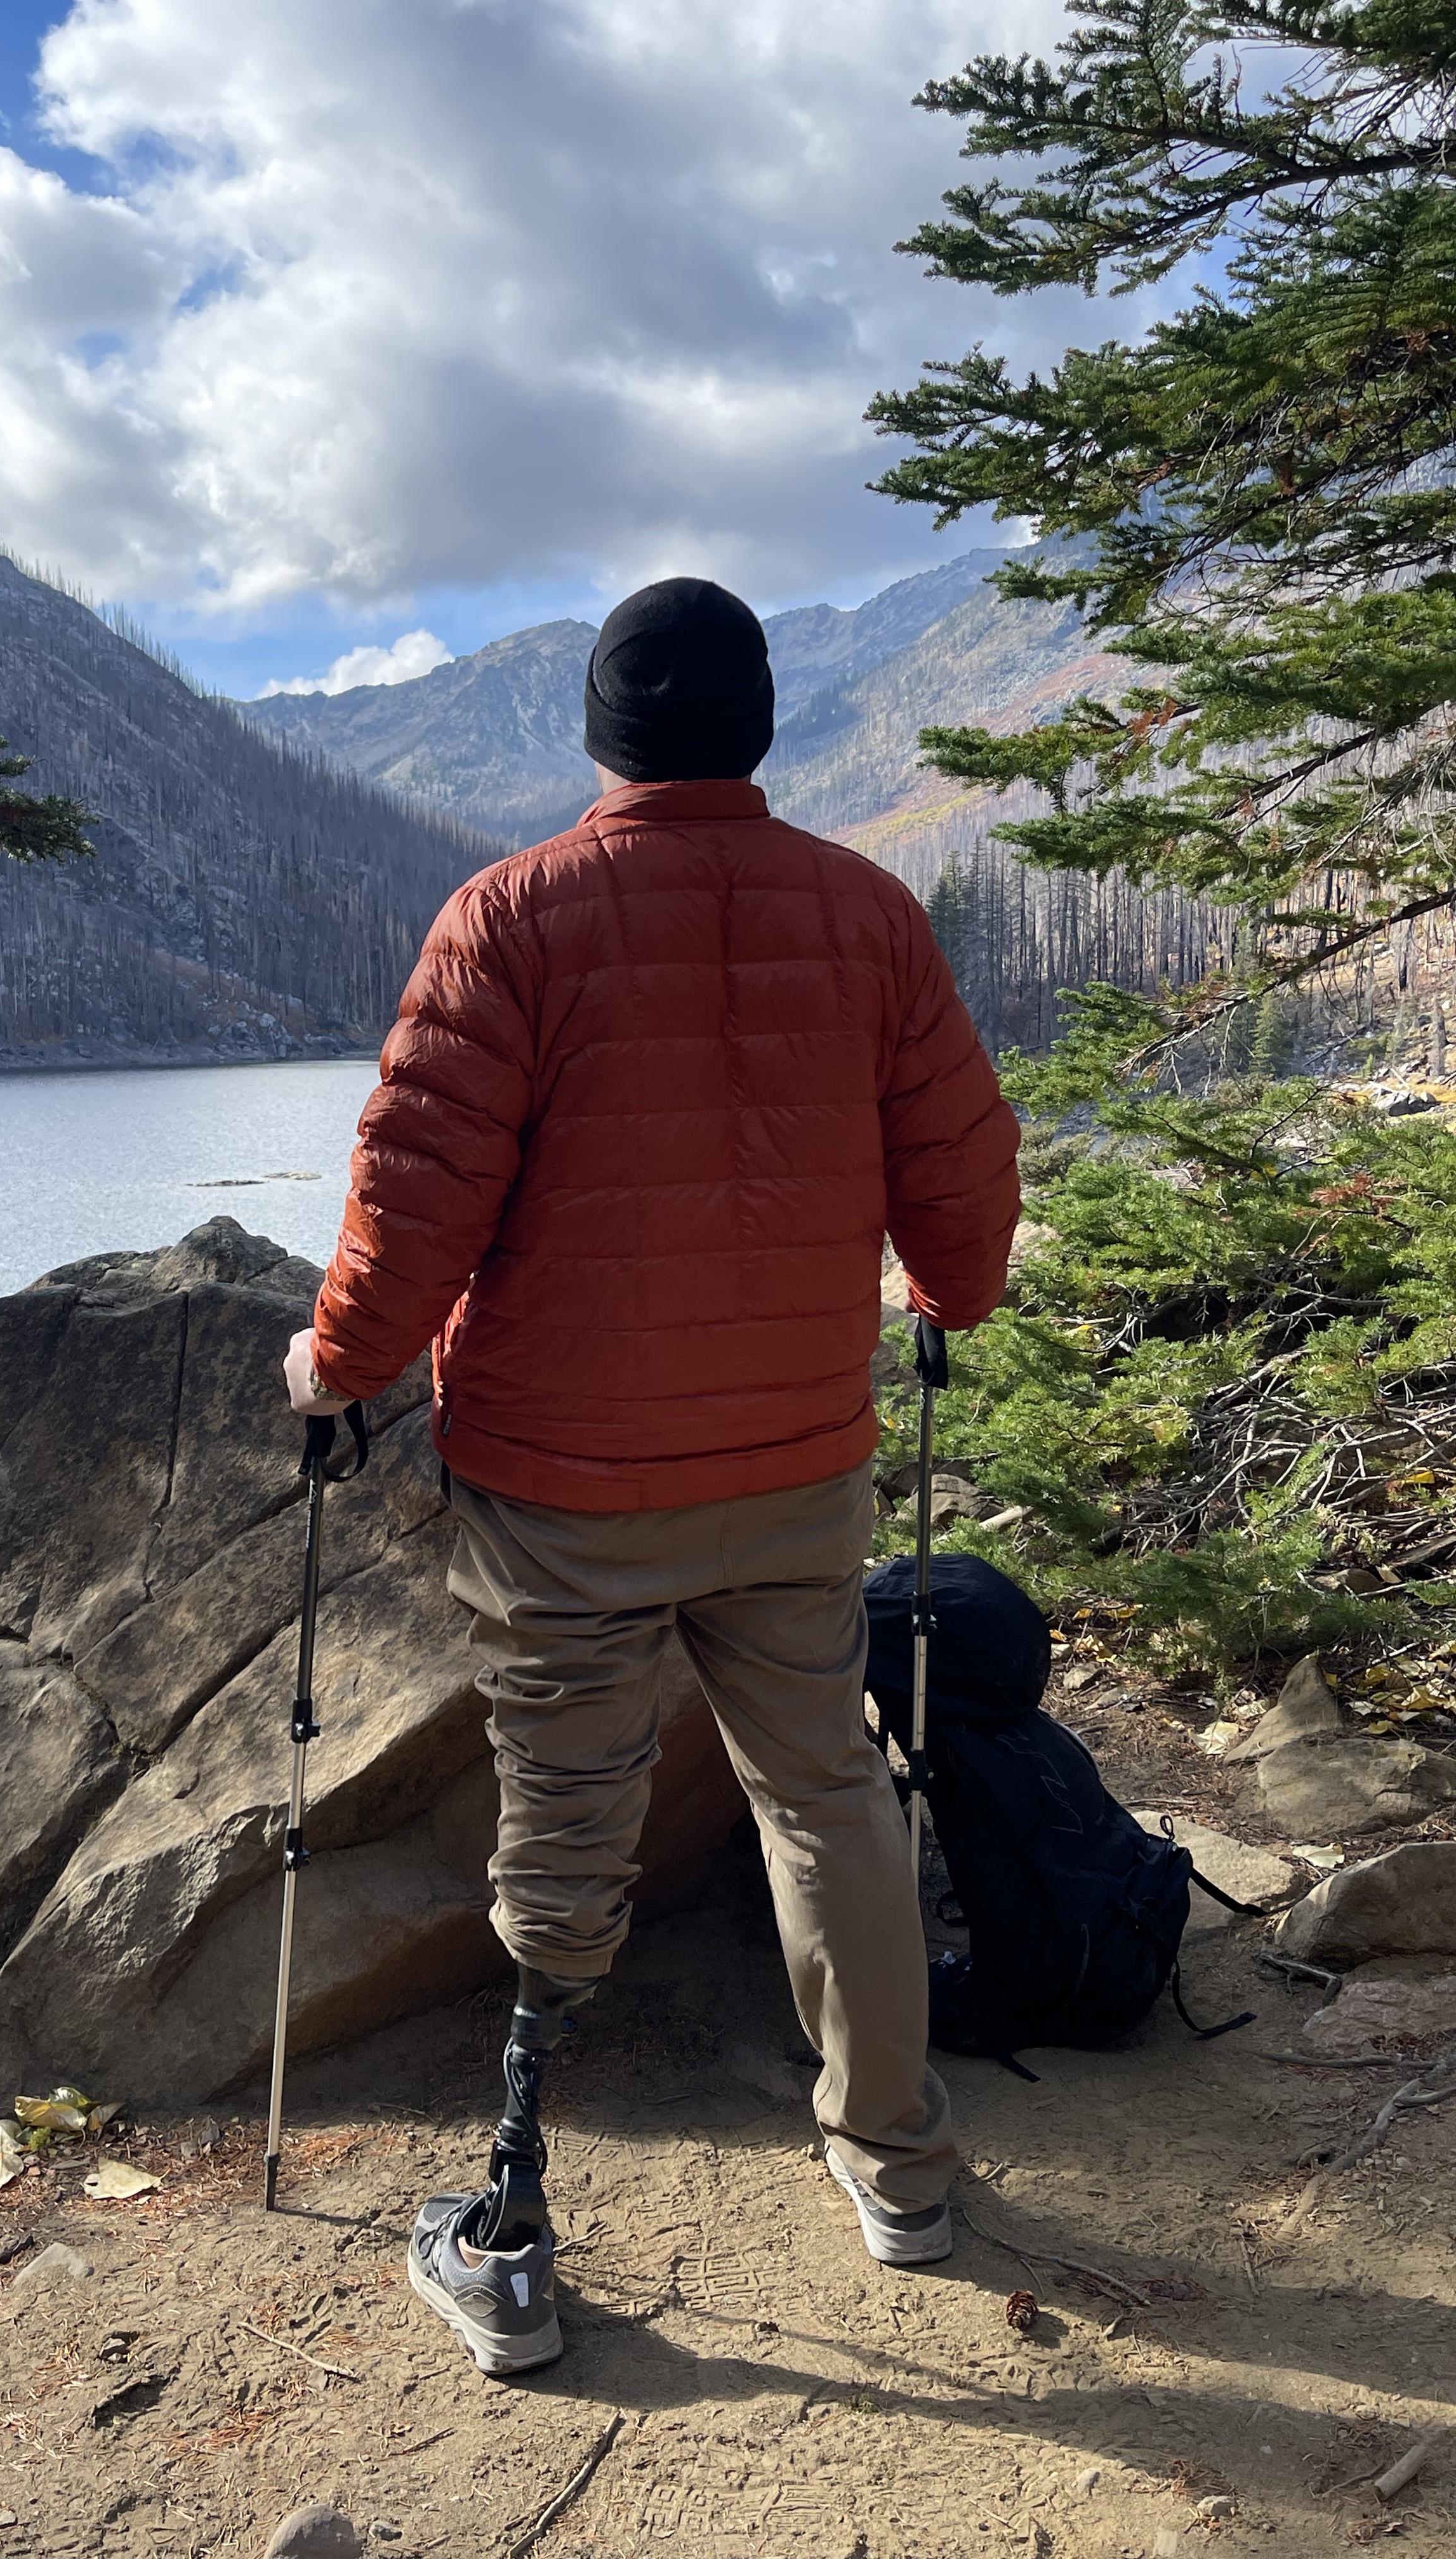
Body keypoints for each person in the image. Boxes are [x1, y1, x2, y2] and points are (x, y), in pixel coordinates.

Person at [282, 576, 1020, 2377]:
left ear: (603, 731)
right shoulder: (866, 916)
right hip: (794, 1467)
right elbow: (963, 1173)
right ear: (760, 723)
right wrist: (946, 1292)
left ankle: (512, 2228)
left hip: (564, 1489)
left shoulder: (512, 918)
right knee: (827, 1790)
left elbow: (416, 1197)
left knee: (567, 1812)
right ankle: (902, 2173)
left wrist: (338, 1365)